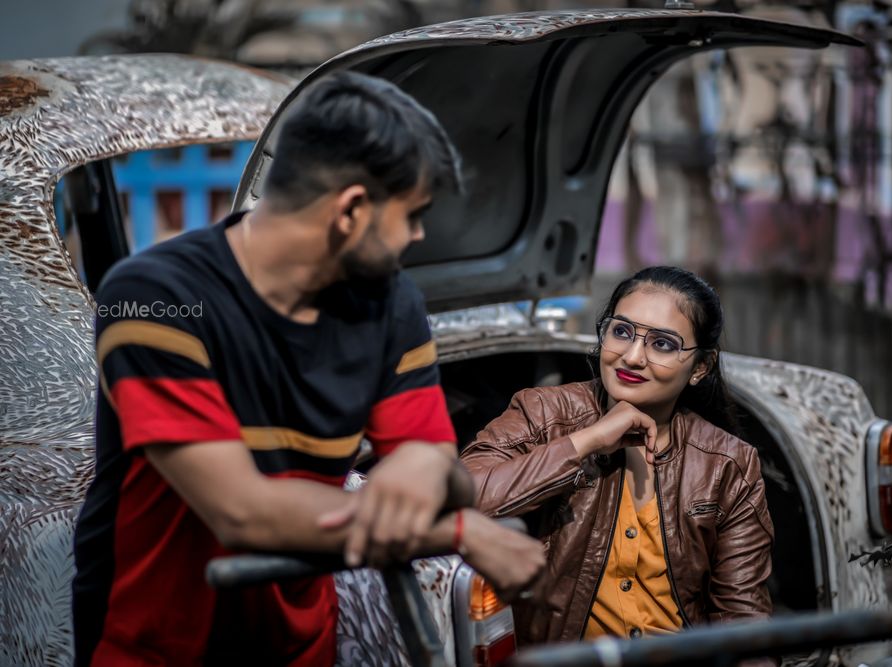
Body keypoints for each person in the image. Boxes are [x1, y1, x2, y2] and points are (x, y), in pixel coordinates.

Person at [72, 72, 545, 666]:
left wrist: (420, 469)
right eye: (413, 215)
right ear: (350, 210)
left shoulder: (391, 305)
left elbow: (440, 468)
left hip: (302, 649)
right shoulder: (155, 296)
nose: (420, 236)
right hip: (154, 653)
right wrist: (457, 534)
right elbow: (241, 512)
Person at [460, 266, 775, 649]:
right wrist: (587, 441)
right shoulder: (543, 413)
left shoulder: (727, 463)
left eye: (662, 344)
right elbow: (461, 499)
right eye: (622, 332)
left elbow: (744, 623)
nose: (632, 357)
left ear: (700, 367)